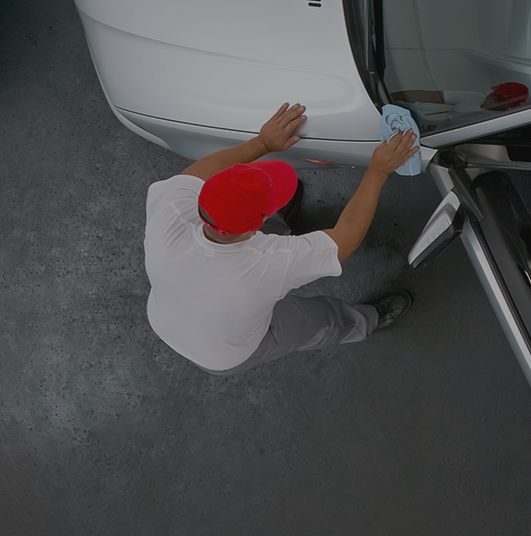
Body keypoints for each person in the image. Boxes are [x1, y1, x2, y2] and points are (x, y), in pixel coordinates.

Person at [143, 103, 418, 375]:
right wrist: (377, 171)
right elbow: (344, 240)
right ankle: (365, 322)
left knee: (263, 239)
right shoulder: (267, 264)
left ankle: (277, 221)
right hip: (225, 350)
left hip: (166, 315)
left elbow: (200, 171)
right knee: (318, 321)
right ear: (253, 230)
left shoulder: (173, 209)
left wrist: (263, 142)